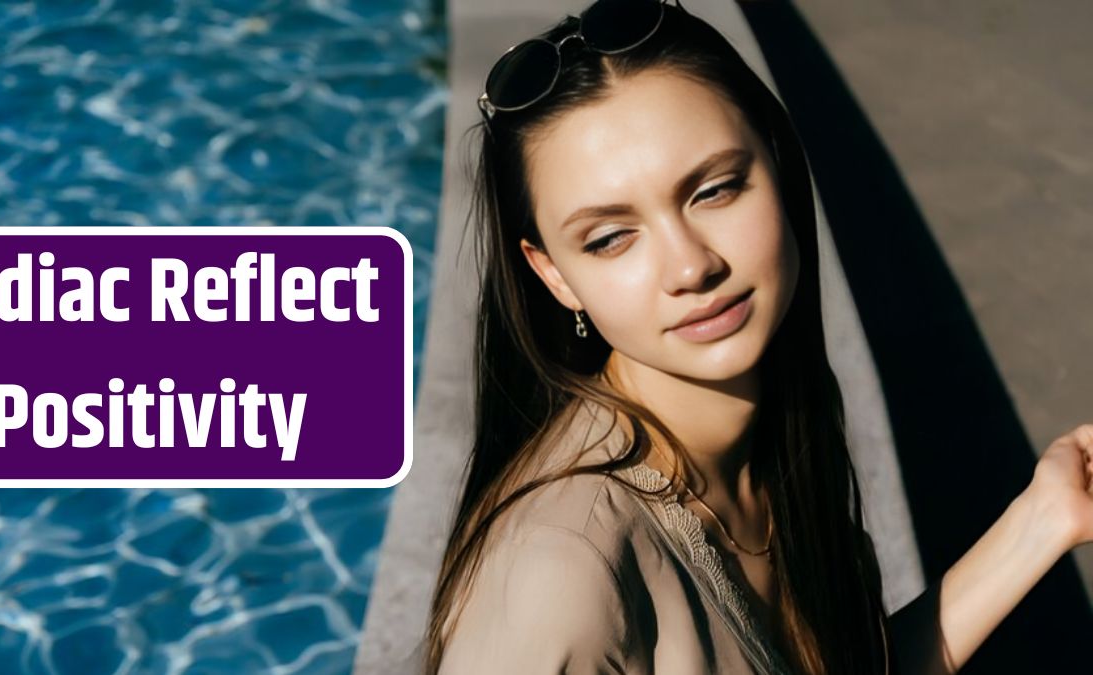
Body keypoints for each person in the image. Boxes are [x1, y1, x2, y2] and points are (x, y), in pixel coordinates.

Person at [423, 0, 1093, 673]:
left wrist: (1044, 517)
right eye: (610, 237)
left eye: (714, 190)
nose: (692, 266)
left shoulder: (764, 439)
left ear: (776, 160)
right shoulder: (560, 576)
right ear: (554, 275)